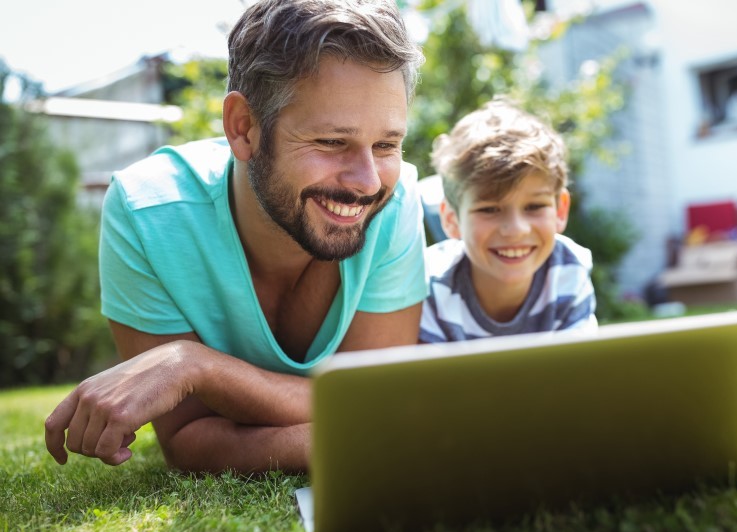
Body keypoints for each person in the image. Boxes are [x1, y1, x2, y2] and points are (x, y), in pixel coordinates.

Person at [44, 0, 427, 473]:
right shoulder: (147, 212)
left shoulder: (396, 199)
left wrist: (194, 366)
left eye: (386, 144)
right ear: (243, 128)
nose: (368, 181)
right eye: (331, 142)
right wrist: (358, 433)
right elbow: (189, 439)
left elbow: (380, 404)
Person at [419, 98, 598, 343]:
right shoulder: (428, 286)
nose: (515, 230)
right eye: (490, 209)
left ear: (560, 210)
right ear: (451, 219)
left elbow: (579, 375)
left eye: (534, 206)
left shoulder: (568, 271)